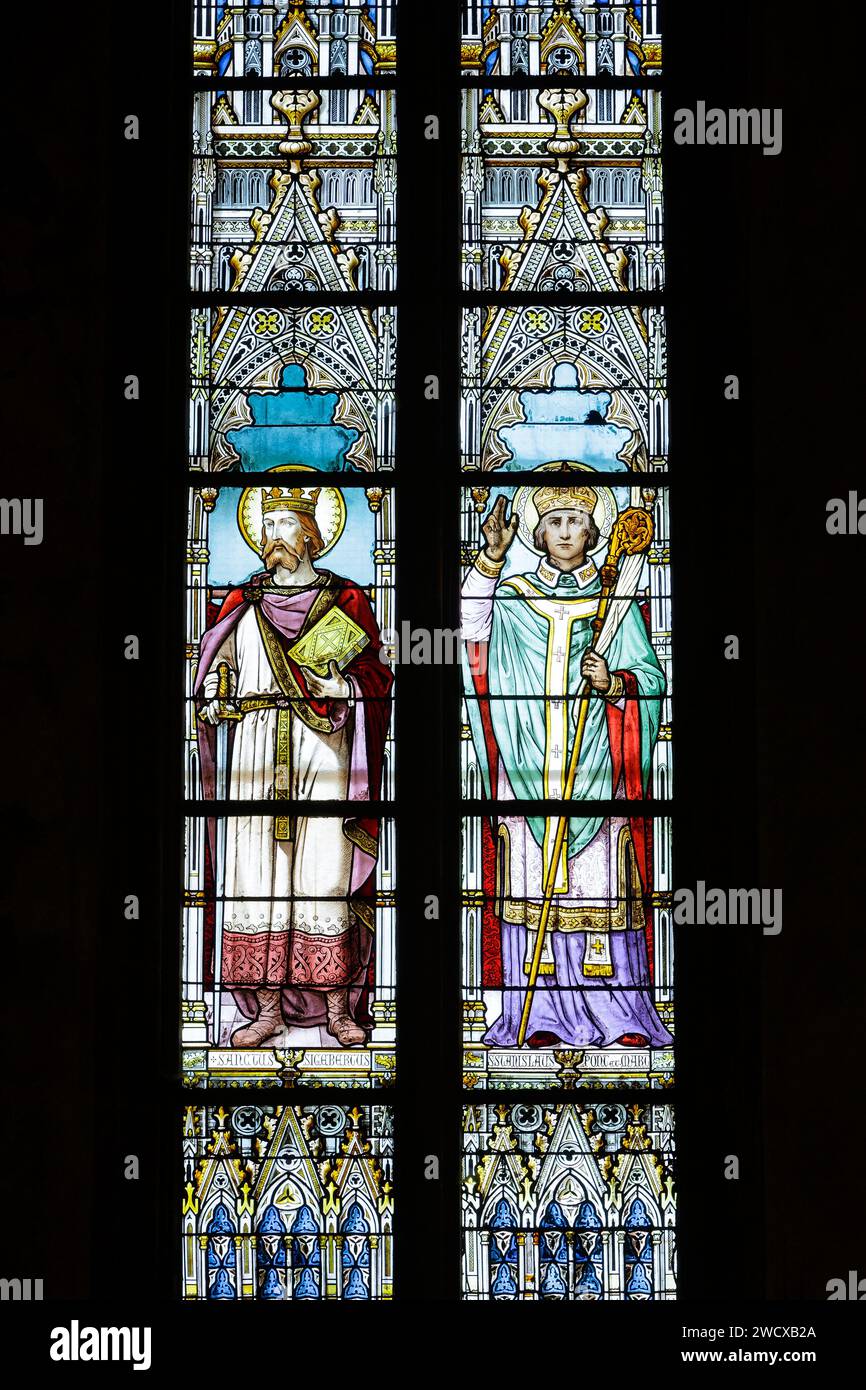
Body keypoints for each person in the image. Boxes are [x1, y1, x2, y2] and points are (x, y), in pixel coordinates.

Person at [461, 483, 673, 1049]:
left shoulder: (614, 601)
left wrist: (616, 684)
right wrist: (490, 557)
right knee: (532, 885)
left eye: (575, 520)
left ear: (592, 532)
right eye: (552, 519)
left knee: (599, 886)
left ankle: (617, 1014)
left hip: (597, 769)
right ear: (537, 532)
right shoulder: (513, 596)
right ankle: (537, 1016)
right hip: (526, 763)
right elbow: (470, 630)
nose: (562, 531)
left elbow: (651, 681)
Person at [194, 484, 392, 1048]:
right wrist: (212, 693)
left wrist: (346, 687)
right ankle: (266, 1010)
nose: (270, 536)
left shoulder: (345, 600)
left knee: (323, 877)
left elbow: (379, 676)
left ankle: (337, 1008)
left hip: (325, 748)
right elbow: (216, 664)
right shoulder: (245, 602)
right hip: (254, 750)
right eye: (266, 525)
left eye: (283, 525)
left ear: (311, 533)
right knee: (256, 877)